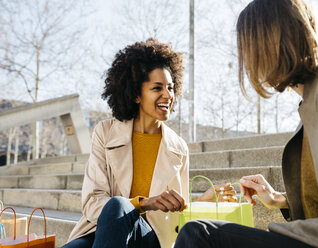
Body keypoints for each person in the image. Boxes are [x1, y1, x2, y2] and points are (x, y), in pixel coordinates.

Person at [174, 0, 318, 248]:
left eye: (249, 48)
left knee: (200, 234)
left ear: (272, 42)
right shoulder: (314, 97)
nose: (248, 63)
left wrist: (279, 231)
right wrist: (279, 199)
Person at [63, 38, 236, 248]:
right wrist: (144, 203)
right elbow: (92, 203)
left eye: (171, 88)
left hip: (148, 240)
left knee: (118, 204)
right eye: (157, 88)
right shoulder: (105, 132)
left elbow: (176, 215)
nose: (168, 95)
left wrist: (202, 202)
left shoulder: (179, 147)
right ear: (136, 94)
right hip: (101, 231)